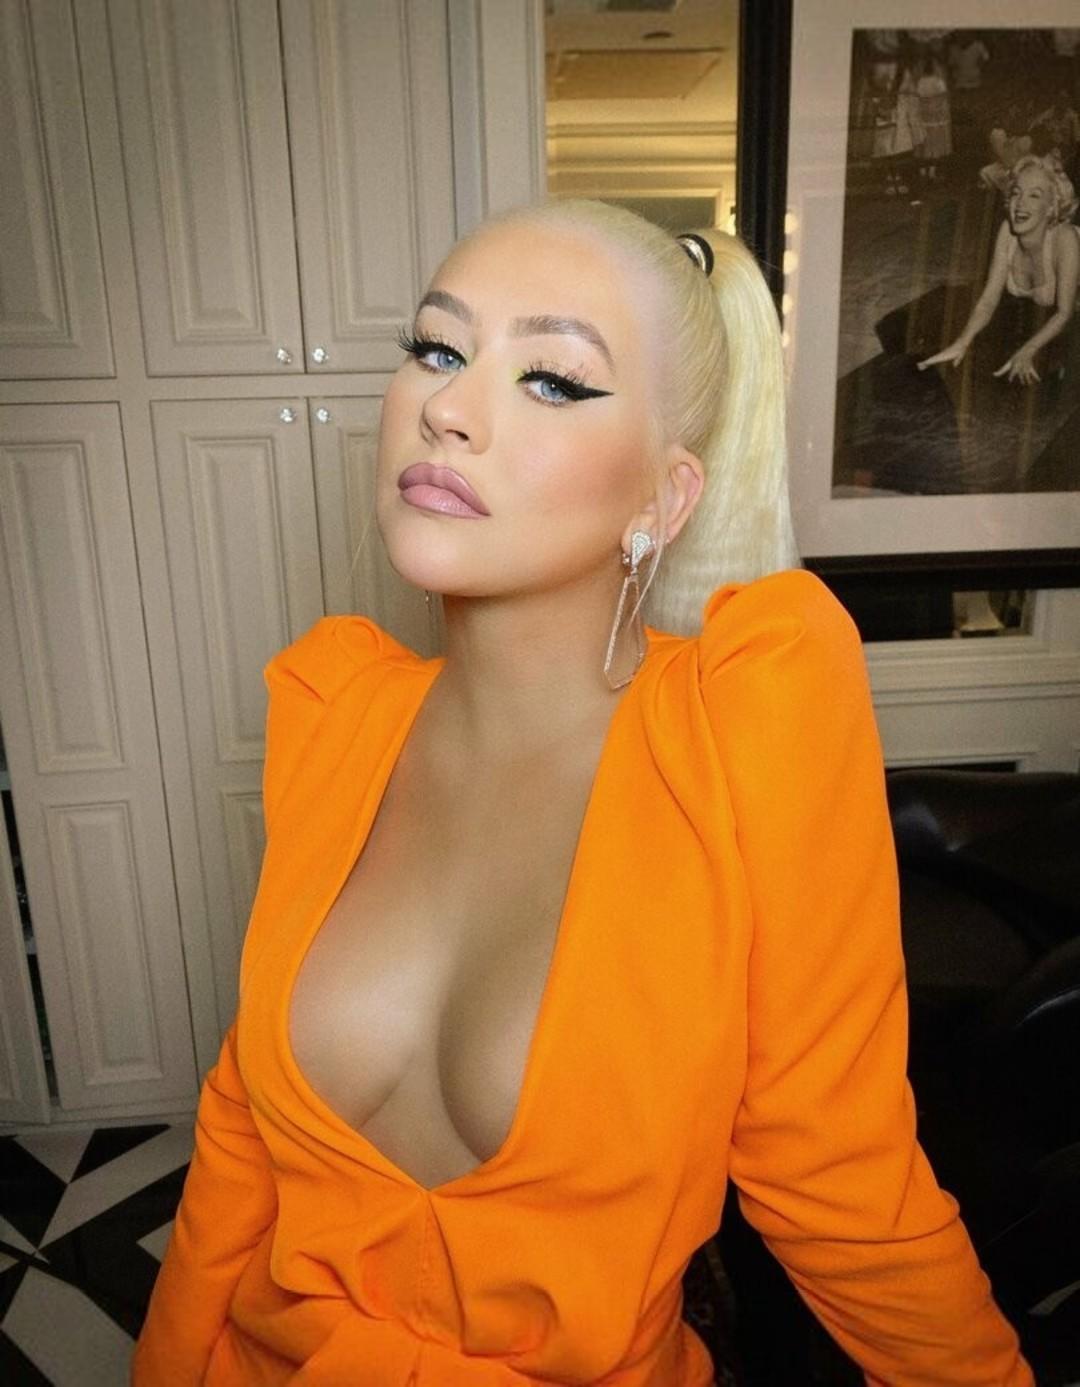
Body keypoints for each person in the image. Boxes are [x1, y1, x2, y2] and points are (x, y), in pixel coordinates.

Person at [131, 198, 1034, 1384]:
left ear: (663, 499)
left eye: (552, 379)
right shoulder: (335, 711)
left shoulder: (740, 732)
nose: (448, 409)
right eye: (436, 349)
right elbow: (241, 1127)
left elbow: (839, 1177)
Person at [920, 153, 1080, 387]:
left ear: (1051, 207)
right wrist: (961, 343)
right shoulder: (1007, 231)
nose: (1020, 203)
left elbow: (1065, 313)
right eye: (1016, 193)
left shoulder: (1064, 238)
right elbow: (988, 300)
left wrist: (1028, 350)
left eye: (1034, 195)